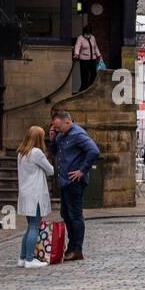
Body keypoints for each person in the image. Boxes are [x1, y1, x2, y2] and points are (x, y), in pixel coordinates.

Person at [47, 110, 100, 262]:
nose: (57, 130)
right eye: (55, 128)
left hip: (74, 182)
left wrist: (82, 170)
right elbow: (54, 153)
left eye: (58, 127)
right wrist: (52, 140)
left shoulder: (78, 134)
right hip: (64, 181)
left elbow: (94, 151)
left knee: (75, 215)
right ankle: (71, 247)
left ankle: (77, 249)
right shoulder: (61, 135)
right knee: (66, 214)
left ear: (68, 122)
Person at [16, 126, 54, 269]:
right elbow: (50, 170)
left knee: (30, 226)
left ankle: (22, 258)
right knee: (34, 226)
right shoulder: (37, 152)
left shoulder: (21, 153)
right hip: (35, 194)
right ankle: (30, 259)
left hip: (26, 193)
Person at [73, 25, 102, 92]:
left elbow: (95, 47)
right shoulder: (80, 38)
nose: (88, 35)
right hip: (84, 60)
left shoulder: (93, 38)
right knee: (84, 76)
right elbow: (77, 46)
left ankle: (91, 89)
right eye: (87, 33)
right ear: (84, 33)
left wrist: (99, 55)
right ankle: (83, 89)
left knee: (94, 75)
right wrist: (76, 54)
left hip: (93, 60)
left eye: (89, 33)